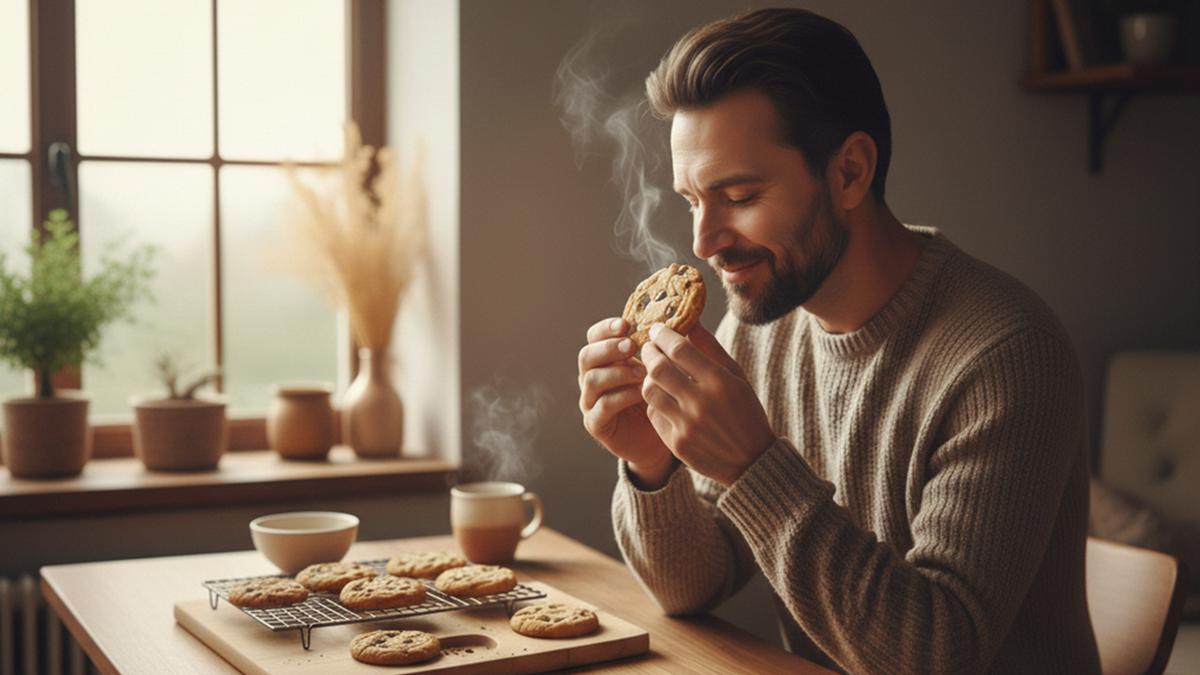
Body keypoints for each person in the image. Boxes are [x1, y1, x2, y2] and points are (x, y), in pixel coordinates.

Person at [576, 8, 1100, 674]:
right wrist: (654, 467)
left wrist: (753, 467)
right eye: (690, 199)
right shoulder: (759, 329)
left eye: (737, 194)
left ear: (850, 171)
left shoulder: (1004, 356)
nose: (703, 242)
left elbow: (935, 653)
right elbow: (694, 586)